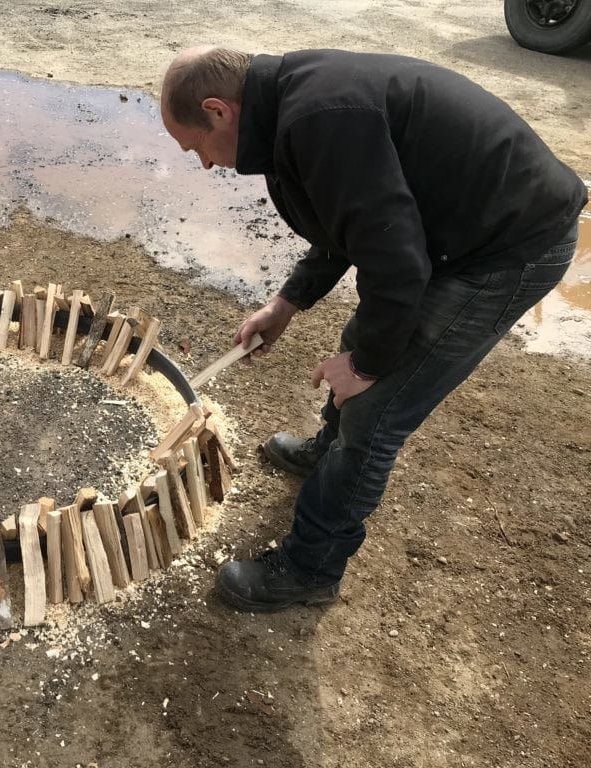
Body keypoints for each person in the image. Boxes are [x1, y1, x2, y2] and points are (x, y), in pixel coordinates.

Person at [160, 47, 586, 612]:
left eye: (197, 149)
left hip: (507, 246)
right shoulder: (292, 105)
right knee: (365, 341)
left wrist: (365, 367)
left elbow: (398, 260)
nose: (206, 164)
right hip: (460, 232)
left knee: (375, 410)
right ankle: (325, 453)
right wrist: (288, 302)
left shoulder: (318, 119)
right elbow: (351, 220)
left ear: (218, 111)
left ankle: (311, 567)